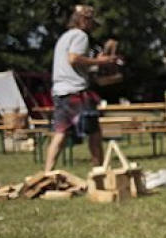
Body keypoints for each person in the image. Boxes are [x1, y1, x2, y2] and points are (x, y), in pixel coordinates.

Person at [45, 5, 118, 172]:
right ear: (84, 20)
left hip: (60, 91)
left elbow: (73, 64)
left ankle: (47, 173)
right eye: (91, 22)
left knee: (60, 133)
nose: (93, 27)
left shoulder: (65, 37)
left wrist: (93, 66)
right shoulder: (80, 36)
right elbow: (74, 59)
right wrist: (102, 62)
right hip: (76, 92)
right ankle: (99, 172)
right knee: (94, 133)